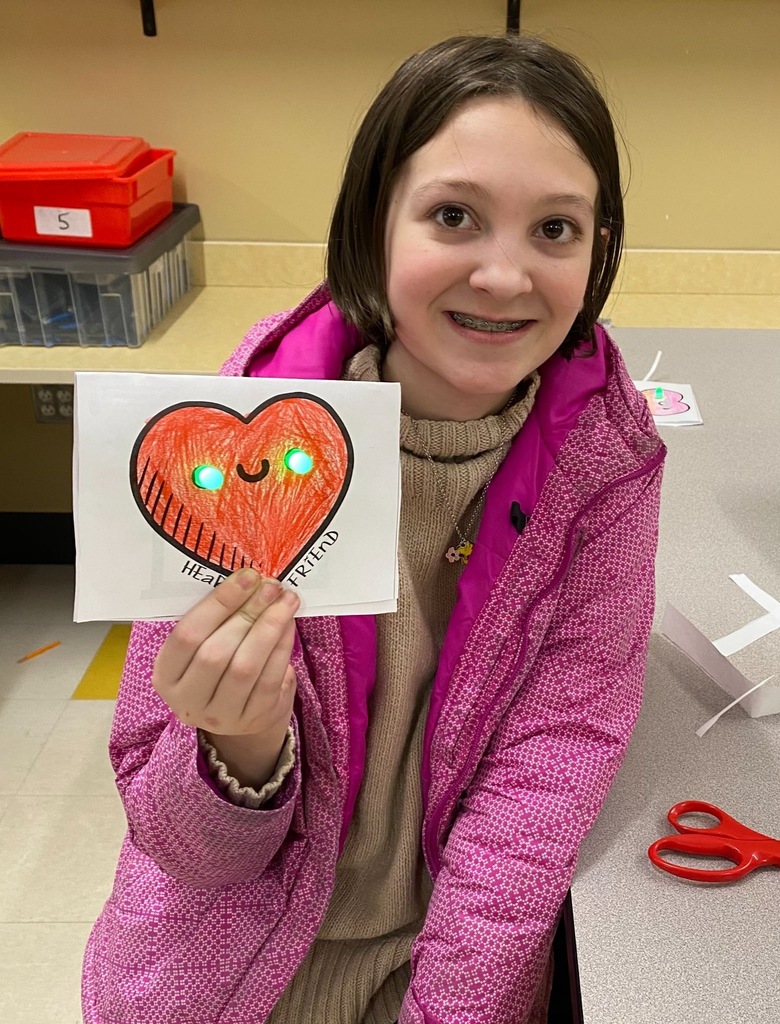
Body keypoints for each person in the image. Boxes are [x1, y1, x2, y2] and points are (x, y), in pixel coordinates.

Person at [82, 32, 665, 1024]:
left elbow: (541, 788)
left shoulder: (604, 467)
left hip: (444, 969)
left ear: (600, 248)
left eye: (556, 231)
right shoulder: (237, 439)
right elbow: (181, 845)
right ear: (372, 226)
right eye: (453, 216)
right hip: (214, 972)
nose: (502, 275)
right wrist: (240, 747)